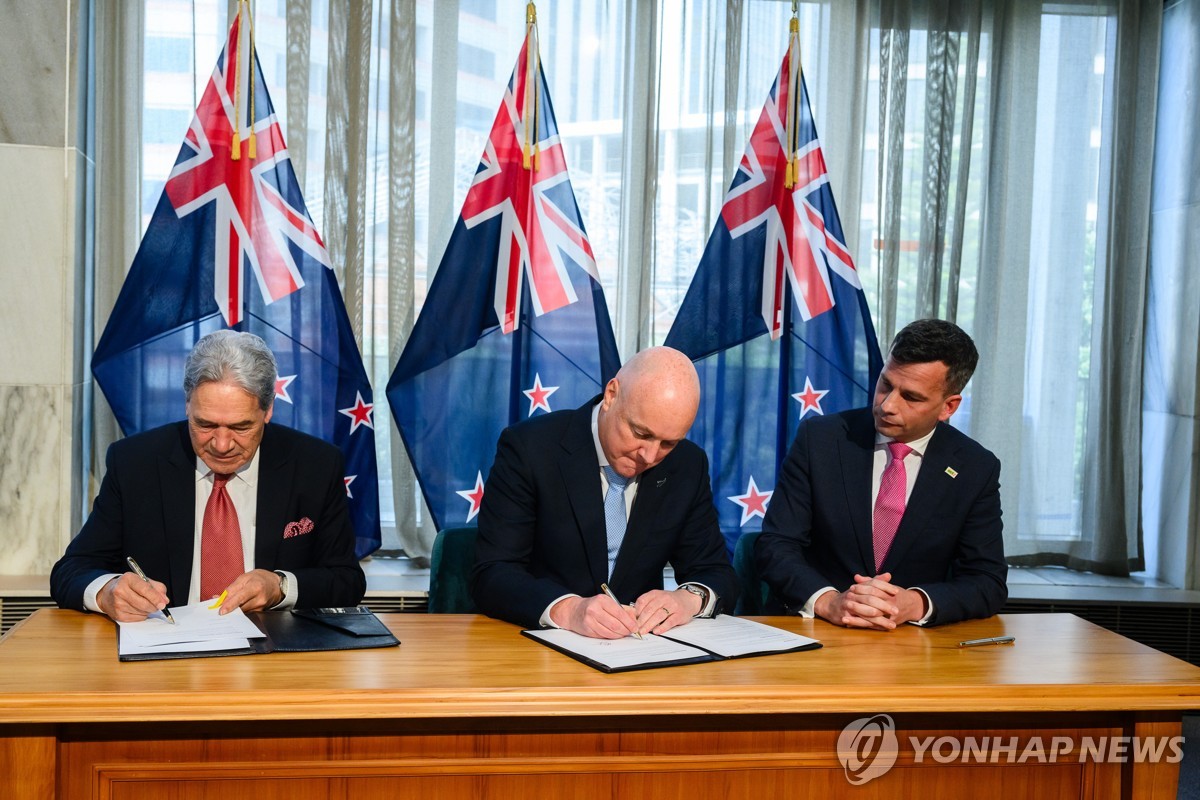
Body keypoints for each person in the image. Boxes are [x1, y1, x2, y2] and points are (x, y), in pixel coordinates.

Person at [51, 330, 366, 621]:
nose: (222, 445)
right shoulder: (135, 463)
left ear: (268, 409)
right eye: (206, 425)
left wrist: (280, 586)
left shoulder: (315, 465)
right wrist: (107, 592)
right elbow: (71, 570)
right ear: (187, 404)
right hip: (166, 655)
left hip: (273, 655)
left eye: (241, 427)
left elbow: (347, 580)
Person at [471, 346, 739, 639]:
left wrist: (687, 599)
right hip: (540, 651)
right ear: (612, 394)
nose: (649, 456)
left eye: (668, 443)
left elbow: (715, 571)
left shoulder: (687, 464)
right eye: (641, 433)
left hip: (640, 654)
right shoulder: (530, 448)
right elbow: (493, 573)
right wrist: (569, 610)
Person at [756, 318, 1006, 629]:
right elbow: (776, 545)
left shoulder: (975, 468)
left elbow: (987, 581)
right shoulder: (819, 439)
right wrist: (828, 601)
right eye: (885, 385)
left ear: (948, 407)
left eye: (911, 397)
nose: (887, 405)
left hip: (913, 647)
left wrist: (914, 603)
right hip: (820, 631)